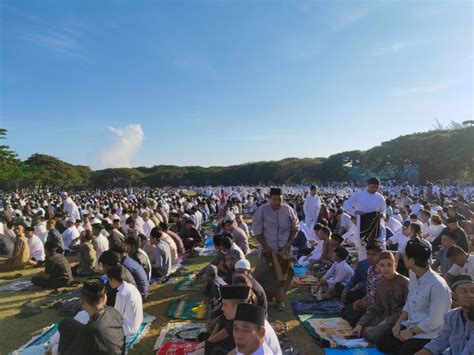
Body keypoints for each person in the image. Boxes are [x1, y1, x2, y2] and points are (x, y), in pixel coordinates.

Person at [377, 239, 452, 355]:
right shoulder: (413, 276)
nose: (403, 258)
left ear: (411, 261)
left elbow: (435, 321)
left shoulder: (437, 285)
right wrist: (399, 323)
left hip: (428, 334)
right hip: (411, 326)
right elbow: (409, 304)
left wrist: (411, 332)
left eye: (405, 256)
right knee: (383, 341)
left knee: (404, 351)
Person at [252, 187, 300, 311]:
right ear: (269, 199)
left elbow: (295, 228)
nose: (277, 202)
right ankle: (264, 298)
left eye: (279, 199)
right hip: (268, 250)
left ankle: (280, 301)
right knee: (261, 275)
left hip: (284, 250)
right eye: (274, 199)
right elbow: (257, 232)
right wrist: (266, 246)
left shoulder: (288, 210)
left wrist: (288, 244)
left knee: (283, 277)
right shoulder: (261, 211)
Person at [353, 251, 409, 343]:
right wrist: (360, 324)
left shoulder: (405, 283)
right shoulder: (381, 283)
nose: (386, 269)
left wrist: (387, 321)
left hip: (399, 322)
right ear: (378, 266)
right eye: (382, 265)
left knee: (374, 334)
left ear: (395, 265)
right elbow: (376, 306)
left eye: (389, 265)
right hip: (383, 318)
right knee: (358, 324)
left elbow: (407, 309)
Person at [57, 278, 125, 354]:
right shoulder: (114, 312)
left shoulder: (91, 331)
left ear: (82, 302)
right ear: (104, 298)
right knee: (66, 323)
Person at [415, 275, 474, 355]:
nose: (471, 295)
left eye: (473, 291)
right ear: (454, 295)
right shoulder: (451, 316)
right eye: (464, 291)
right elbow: (439, 342)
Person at [343, 177, 386, 261]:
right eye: (373, 186)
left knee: (377, 248)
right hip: (361, 226)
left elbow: (383, 211)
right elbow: (346, 204)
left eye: (377, 187)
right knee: (362, 249)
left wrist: (382, 215)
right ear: (368, 185)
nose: (375, 189)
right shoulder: (359, 195)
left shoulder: (380, 198)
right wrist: (355, 212)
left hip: (375, 227)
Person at [106, 265, 143, 337]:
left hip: (127, 328)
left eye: (109, 279)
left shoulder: (121, 294)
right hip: (137, 322)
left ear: (113, 279)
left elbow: (116, 316)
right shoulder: (130, 286)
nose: (108, 282)